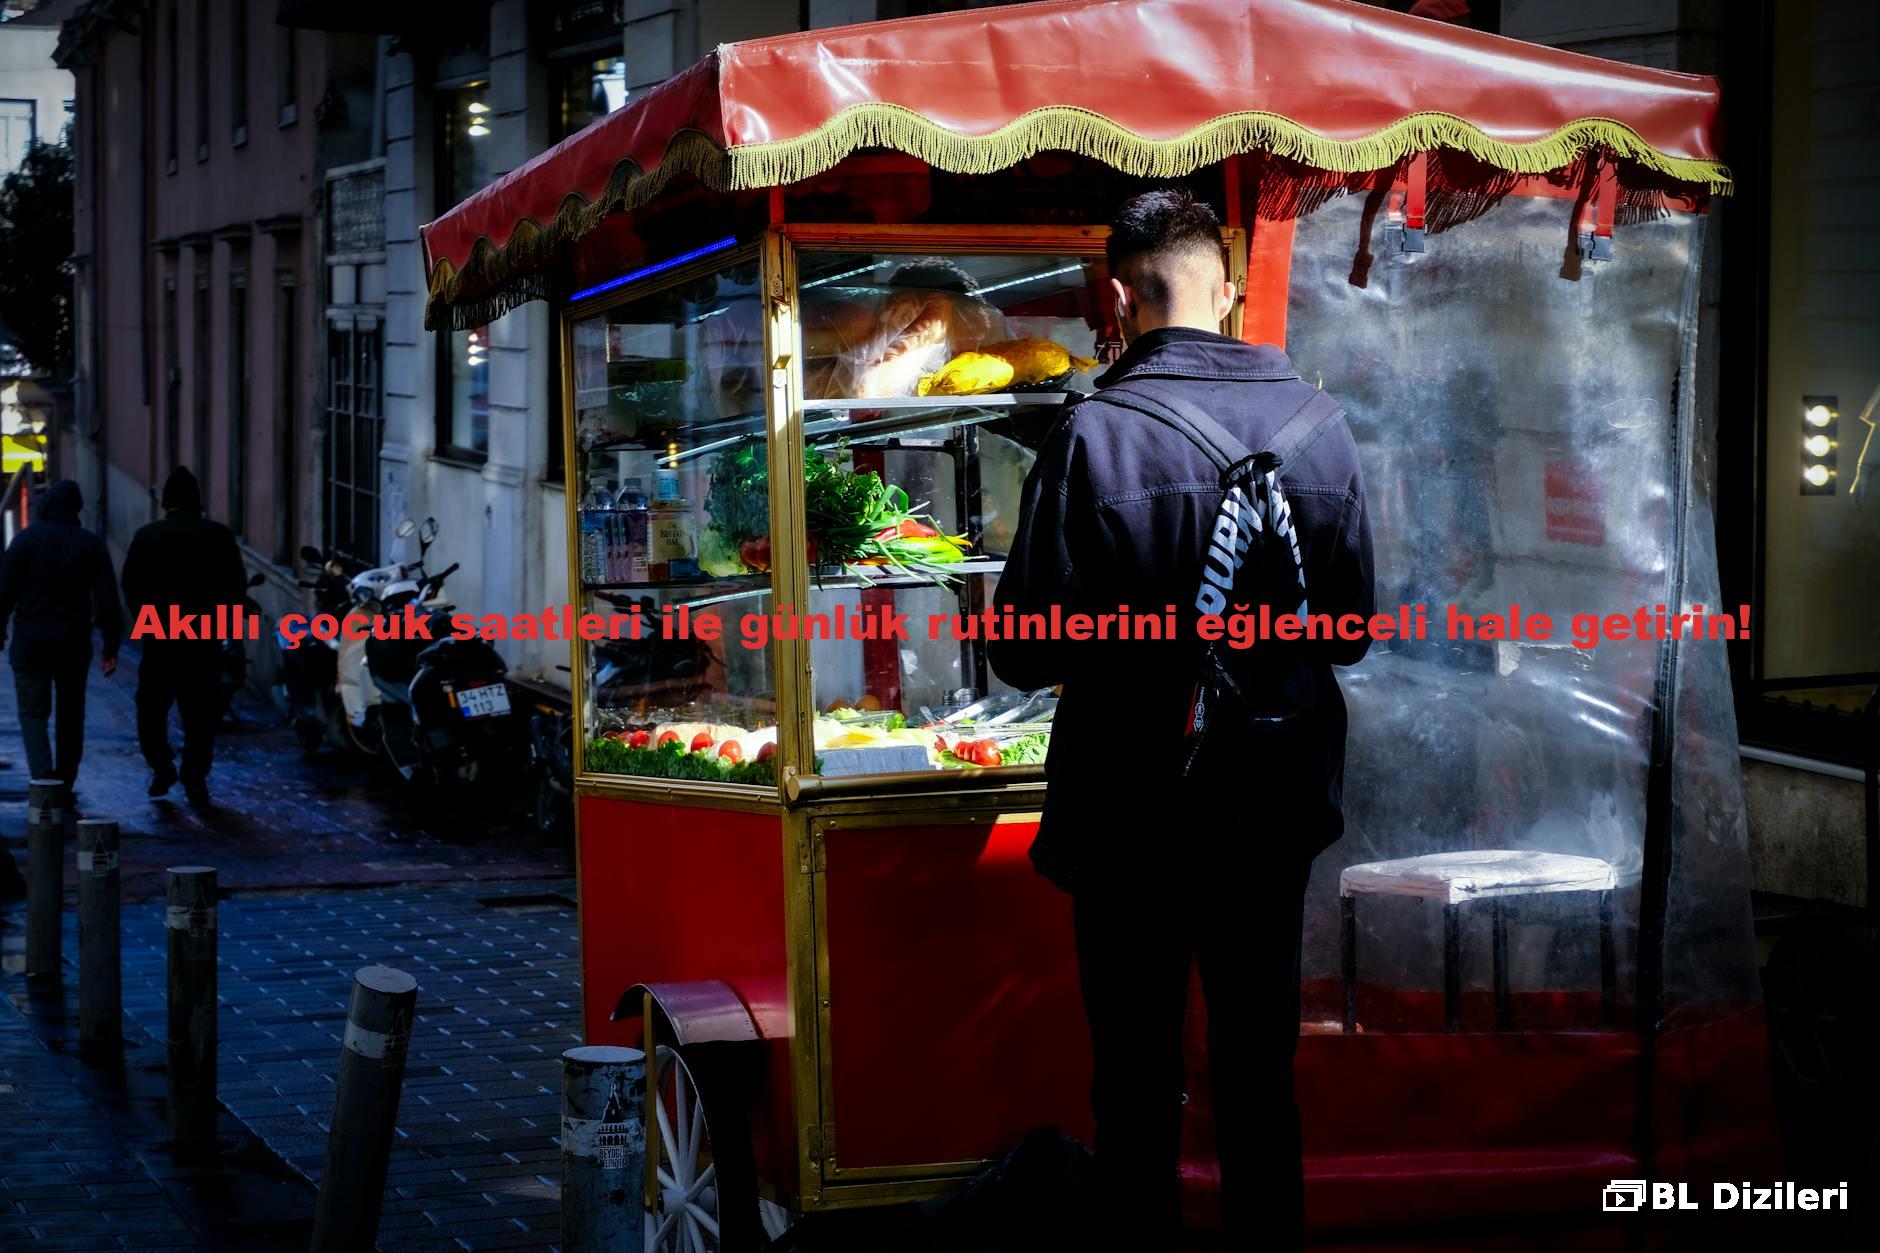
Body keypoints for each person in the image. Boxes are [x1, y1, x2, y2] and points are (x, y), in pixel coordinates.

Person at [988, 189, 1375, 1247]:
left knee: (1135, 1081)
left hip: (1129, 819)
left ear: (1113, 298)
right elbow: (1346, 630)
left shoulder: (1090, 436)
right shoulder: (1321, 427)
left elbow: (1019, 646)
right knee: (1259, 1074)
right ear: (1230, 287)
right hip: (1272, 809)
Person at [121, 466, 247, 806]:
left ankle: (162, 764)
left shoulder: (148, 536)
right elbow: (235, 587)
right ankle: (195, 776)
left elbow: (131, 585)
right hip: (203, 638)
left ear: (166, 501)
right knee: (200, 715)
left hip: (162, 637)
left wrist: (147, 620)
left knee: (151, 709)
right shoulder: (218, 536)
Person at [0, 479, 122, 793]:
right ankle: (65, 780)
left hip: (29, 642)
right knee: (71, 714)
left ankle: (45, 781)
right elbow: (108, 599)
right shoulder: (90, 544)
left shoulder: (26, 541)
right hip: (73, 643)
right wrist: (111, 647)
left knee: (32, 713)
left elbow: (4, 593)